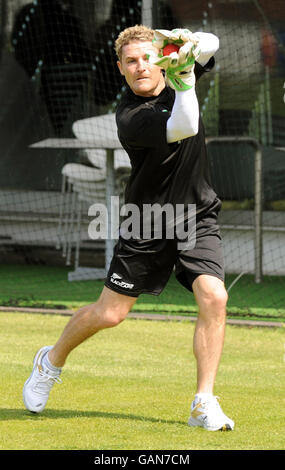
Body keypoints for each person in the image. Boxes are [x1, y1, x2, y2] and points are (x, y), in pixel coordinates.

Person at [23, 24, 234, 432]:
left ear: (159, 59)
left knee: (214, 296)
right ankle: (50, 362)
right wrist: (185, 73)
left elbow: (213, 43)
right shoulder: (132, 116)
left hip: (196, 216)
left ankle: (203, 402)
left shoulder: (175, 69)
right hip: (147, 223)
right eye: (131, 62)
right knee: (110, 314)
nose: (141, 67)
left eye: (147, 58)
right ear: (120, 69)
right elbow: (186, 124)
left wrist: (185, 41)